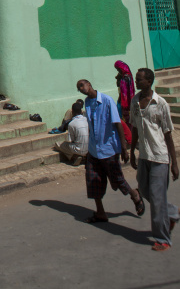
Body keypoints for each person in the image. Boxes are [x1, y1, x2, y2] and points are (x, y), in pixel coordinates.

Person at [77, 79, 144, 223]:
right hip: (94, 150)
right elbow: (91, 126)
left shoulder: (107, 100)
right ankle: (100, 212)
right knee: (92, 181)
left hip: (109, 149)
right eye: (79, 88)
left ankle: (135, 196)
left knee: (117, 180)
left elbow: (117, 123)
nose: (81, 89)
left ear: (89, 84)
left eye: (82, 85)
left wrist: (124, 148)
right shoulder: (87, 103)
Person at [130, 67, 179, 251]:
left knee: (157, 199)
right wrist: (131, 152)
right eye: (136, 79)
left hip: (160, 157)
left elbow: (168, 135)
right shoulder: (135, 101)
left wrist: (174, 163)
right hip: (143, 155)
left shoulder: (161, 104)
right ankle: (172, 211)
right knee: (143, 189)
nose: (136, 82)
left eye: (139, 79)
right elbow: (134, 127)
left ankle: (163, 239)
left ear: (149, 81)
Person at [115, 60, 135, 144]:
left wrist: (121, 99)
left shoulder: (127, 77)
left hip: (127, 102)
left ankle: (130, 138)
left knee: (127, 120)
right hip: (123, 101)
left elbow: (126, 92)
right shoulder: (123, 76)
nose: (118, 71)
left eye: (118, 69)